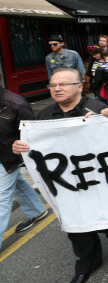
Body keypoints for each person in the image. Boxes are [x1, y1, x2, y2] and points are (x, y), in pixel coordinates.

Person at [12, 68, 108, 283]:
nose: (57, 88)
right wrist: (21, 147)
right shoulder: (43, 115)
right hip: (65, 184)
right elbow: (36, 148)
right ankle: (87, 263)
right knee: (76, 225)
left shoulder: (97, 109)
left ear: (78, 86)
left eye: (63, 84)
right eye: (53, 85)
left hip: (98, 180)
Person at [1, 87, 48, 250]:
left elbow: (31, 134)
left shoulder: (17, 103)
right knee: (17, 184)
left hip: (9, 156)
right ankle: (36, 211)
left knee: (1, 198)